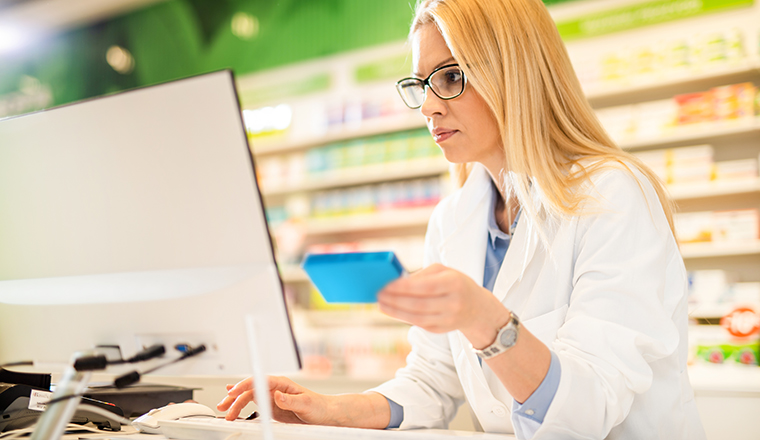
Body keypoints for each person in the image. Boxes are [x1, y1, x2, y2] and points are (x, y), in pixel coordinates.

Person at [218, 0, 707, 438]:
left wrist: (487, 321)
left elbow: (587, 412)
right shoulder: (454, 219)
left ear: (512, 74)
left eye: (450, 78)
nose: (428, 106)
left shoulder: (613, 195)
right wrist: (324, 408)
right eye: (419, 84)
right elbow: (432, 380)